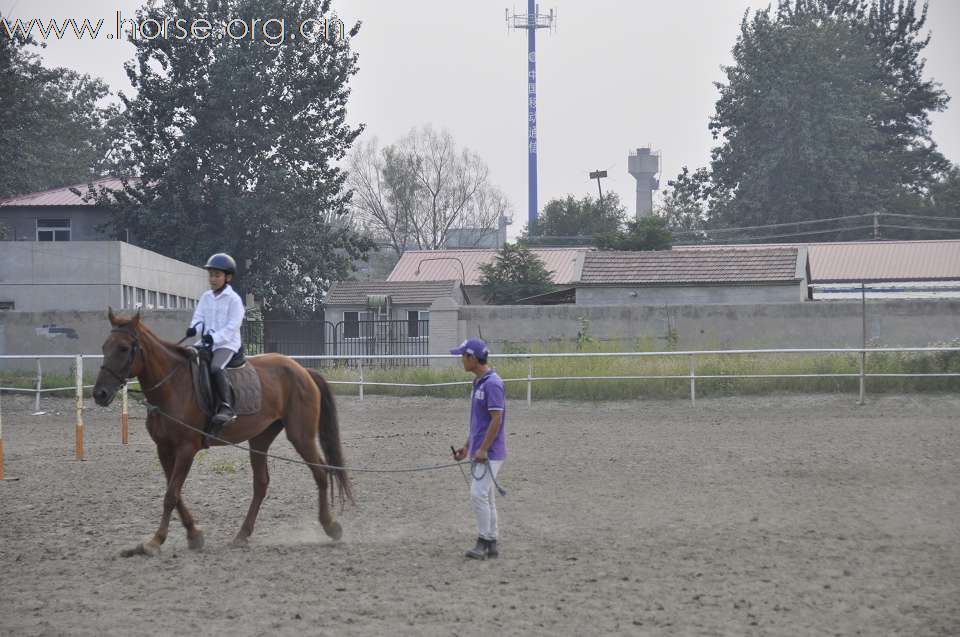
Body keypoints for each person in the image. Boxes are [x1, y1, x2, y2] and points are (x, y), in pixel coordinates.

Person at [450, 338, 506, 560]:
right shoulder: (479, 383)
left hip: (490, 452)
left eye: (462, 356)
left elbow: (496, 420)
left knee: (478, 494)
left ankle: (483, 541)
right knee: (487, 496)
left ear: (472, 358)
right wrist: (467, 447)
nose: (460, 360)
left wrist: (482, 449)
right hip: (481, 449)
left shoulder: (492, 384)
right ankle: (491, 542)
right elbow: (479, 423)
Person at [186, 253, 245, 438]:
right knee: (184, 358)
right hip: (205, 343)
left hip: (227, 344)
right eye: (211, 275)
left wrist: (214, 338)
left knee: (216, 367)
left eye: (217, 275)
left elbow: (232, 326)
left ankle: (226, 407)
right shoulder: (205, 297)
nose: (212, 279)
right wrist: (193, 329)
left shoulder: (234, 300)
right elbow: (199, 318)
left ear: (227, 277)